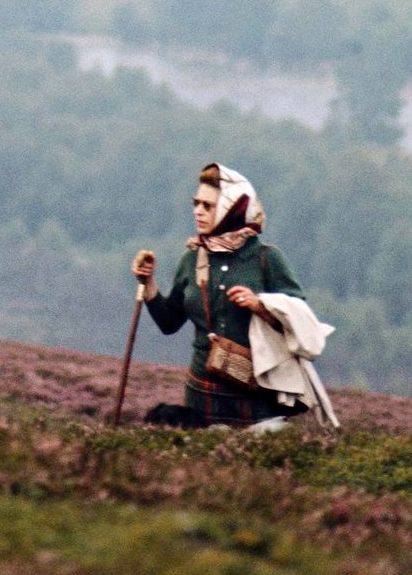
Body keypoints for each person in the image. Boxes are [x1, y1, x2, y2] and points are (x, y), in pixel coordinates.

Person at [131, 162, 308, 428]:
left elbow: (300, 320)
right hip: (201, 400)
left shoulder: (266, 259)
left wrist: (260, 305)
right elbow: (169, 323)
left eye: (208, 206)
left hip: (257, 400)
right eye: (196, 203)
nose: (198, 212)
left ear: (232, 208)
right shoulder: (191, 259)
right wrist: (149, 284)